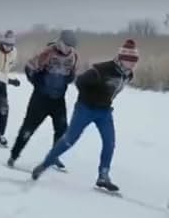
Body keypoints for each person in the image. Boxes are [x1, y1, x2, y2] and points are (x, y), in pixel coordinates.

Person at [31, 39, 139, 193]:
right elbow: (80, 82)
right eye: (129, 60)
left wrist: (104, 100)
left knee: (110, 143)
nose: (132, 64)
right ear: (121, 59)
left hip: (105, 112)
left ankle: (103, 176)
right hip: (85, 109)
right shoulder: (101, 69)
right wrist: (92, 95)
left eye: (134, 61)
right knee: (69, 140)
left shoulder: (128, 75)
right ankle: (45, 164)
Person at [8, 30, 79, 170]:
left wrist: (69, 79)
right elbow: (29, 67)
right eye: (66, 46)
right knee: (28, 128)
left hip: (58, 99)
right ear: (60, 42)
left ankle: (54, 156)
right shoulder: (47, 53)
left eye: (71, 47)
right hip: (40, 99)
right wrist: (37, 82)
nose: (68, 49)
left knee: (62, 129)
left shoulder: (74, 56)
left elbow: (72, 73)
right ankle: (14, 155)